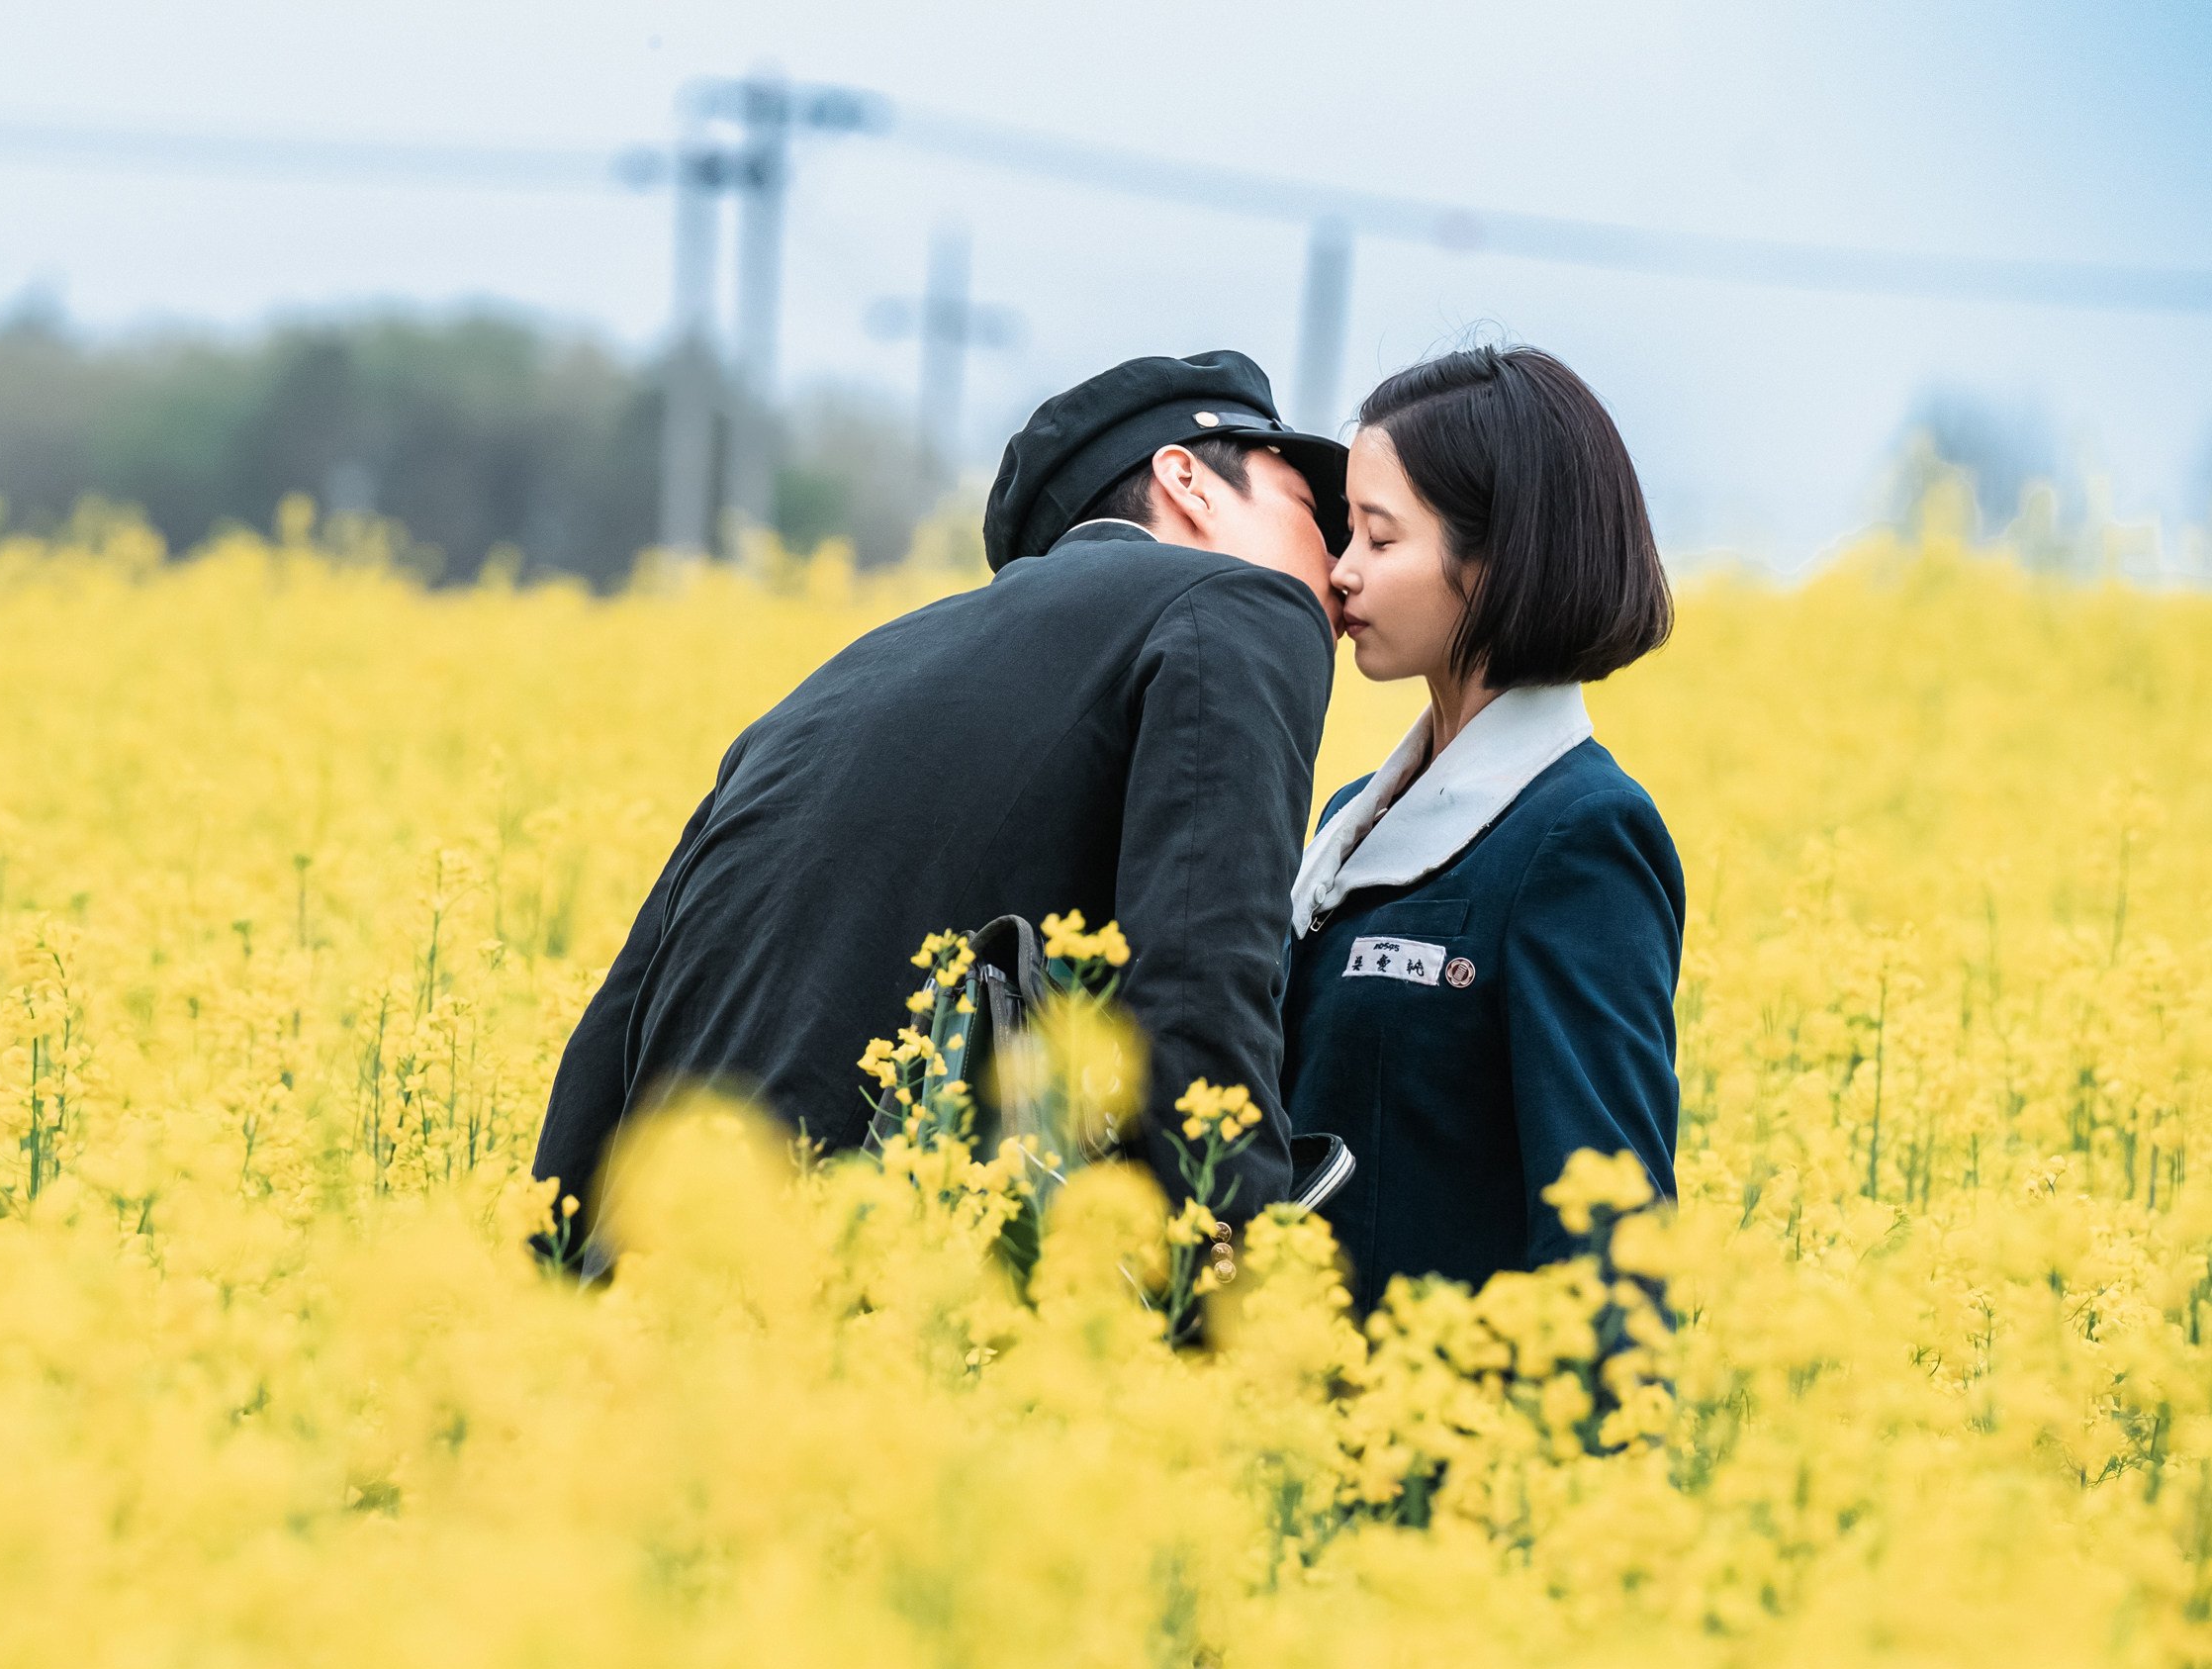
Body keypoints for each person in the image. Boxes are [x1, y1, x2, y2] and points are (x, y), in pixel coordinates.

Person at [534, 350, 1349, 1263]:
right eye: (1314, 515)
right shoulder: (1243, 608)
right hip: (885, 1300)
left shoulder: (846, 674)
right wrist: (1237, 1266)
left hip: (661, 1301)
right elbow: (1204, 969)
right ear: (1187, 480)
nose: (1341, 563)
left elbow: (621, 1014)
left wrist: (555, 1288)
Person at [1281, 345, 1681, 1304]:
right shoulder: (1350, 820)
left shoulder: (1581, 833)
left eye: (1380, 539)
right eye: (1346, 536)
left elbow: (1610, 1223)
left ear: (1498, 559)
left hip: (1446, 1439)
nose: (1340, 573)